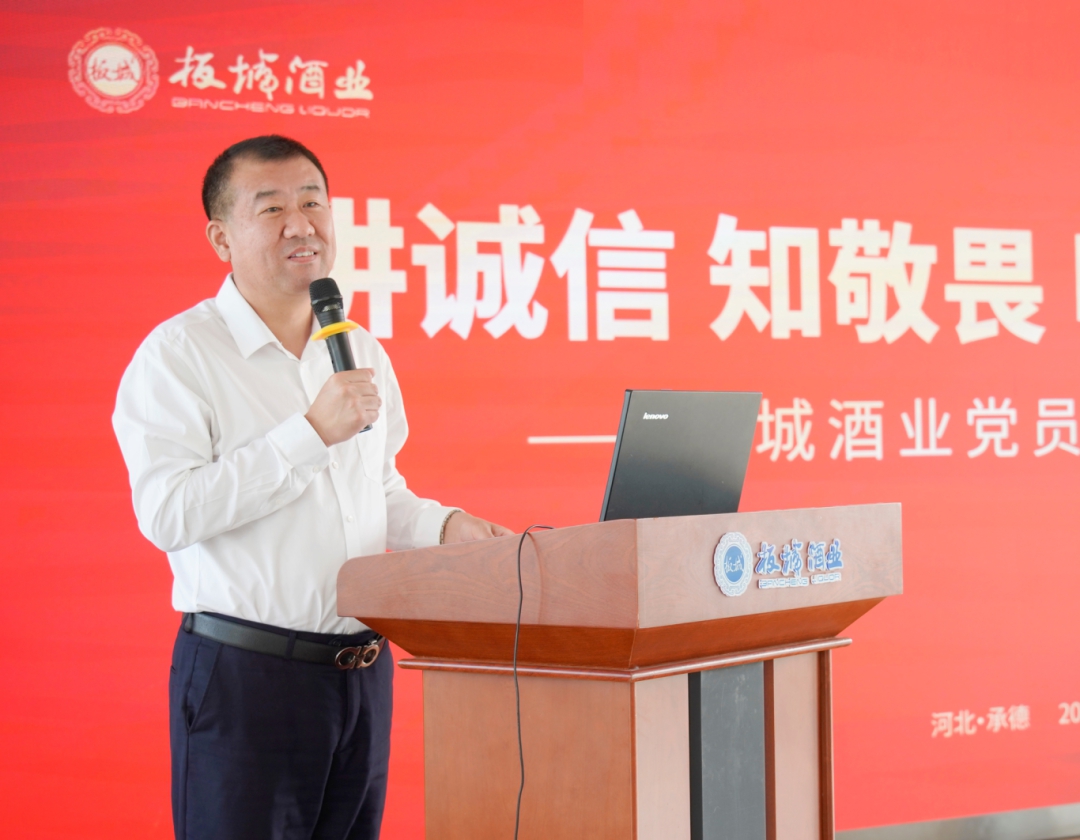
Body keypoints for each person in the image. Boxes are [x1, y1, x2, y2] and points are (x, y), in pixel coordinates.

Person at [112, 134, 513, 840]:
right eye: (271, 209)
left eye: (312, 202)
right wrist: (308, 432)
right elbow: (168, 513)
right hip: (248, 680)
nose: (301, 225)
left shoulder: (357, 347)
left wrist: (448, 528)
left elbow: (376, 491)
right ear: (221, 237)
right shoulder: (178, 356)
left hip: (362, 673)